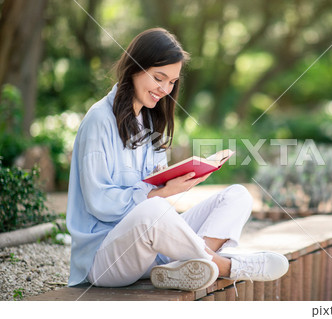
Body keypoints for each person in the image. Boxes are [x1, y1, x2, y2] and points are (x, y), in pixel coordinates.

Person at [66, 27, 288, 291]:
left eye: (172, 81)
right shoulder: (98, 120)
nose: (165, 89)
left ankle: (185, 268)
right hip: (105, 259)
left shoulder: (150, 120)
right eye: (159, 78)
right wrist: (159, 194)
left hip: (149, 250)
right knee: (153, 210)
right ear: (134, 68)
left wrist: (179, 180)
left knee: (238, 196)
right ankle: (226, 266)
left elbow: (153, 186)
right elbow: (99, 202)